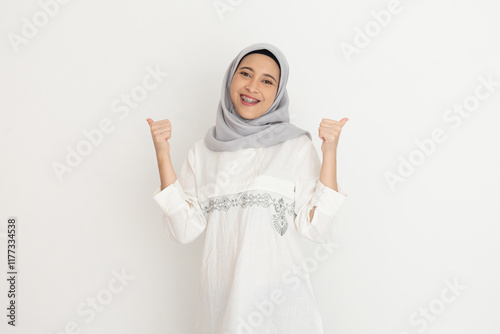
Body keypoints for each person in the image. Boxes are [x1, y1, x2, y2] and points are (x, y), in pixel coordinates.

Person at [146, 42, 349, 334]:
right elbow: (184, 230)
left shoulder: (294, 148)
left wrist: (330, 153)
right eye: (245, 74)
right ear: (231, 79)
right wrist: (162, 154)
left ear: (278, 92)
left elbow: (317, 229)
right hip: (222, 312)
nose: (253, 86)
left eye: (267, 81)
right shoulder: (202, 153)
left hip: (283, 312)